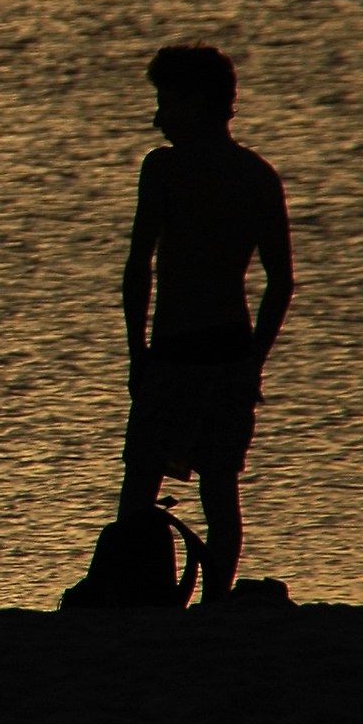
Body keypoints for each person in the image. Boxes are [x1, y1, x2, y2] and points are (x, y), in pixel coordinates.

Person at [117, 43, 294, 602]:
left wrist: (137, 355)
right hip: (223, 351)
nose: (158, 117)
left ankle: (141, 597)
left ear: (197, 102)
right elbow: (281, 283)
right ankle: (208, 600)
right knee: (219, 492)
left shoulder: (164, 169)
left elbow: (137, 267)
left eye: (166, 102)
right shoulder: (257, 175)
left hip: (180, 353)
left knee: (142, 485)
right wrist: (252, 362)